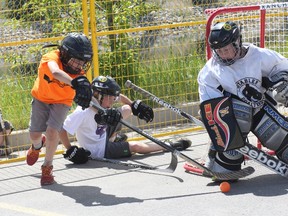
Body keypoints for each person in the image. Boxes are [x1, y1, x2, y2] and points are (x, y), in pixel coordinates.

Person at [197, 21, 288, 174]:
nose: (223, 54)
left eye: (226, 49)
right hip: (234, 119)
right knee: (234, 112)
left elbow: (284, 69)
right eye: (218, 50)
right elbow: (210, 107)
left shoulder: (260, 56)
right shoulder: (210, 71)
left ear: (237, 41)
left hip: (261, 109)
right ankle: (222, 160)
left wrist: (281, 83)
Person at [60, 75, 191, 164]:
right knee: (135, 146)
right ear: (99, 95)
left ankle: (113, 138)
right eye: (110, 98)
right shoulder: (82, 112)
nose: (112, 101)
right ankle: (168, 145)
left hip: (103, 134)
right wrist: (70, 148)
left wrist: (134, 105)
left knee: (126, 109)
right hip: (100, 150)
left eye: (113, 98)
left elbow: (120, 97)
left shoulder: (103, 100)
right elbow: (61, 128)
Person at [26, 32, 93, 185]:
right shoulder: (50, 58)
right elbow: (56, 72)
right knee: (34, 134)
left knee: (52, 132)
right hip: (41, 98)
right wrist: (74, 82)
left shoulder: (79, 74)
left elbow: (87, 90)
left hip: (62, 101)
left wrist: (88, 94)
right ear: (64, 53)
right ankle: (37, 146)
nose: (79, 66)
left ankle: (47, 166)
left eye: (82, 62)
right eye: (76, 61)